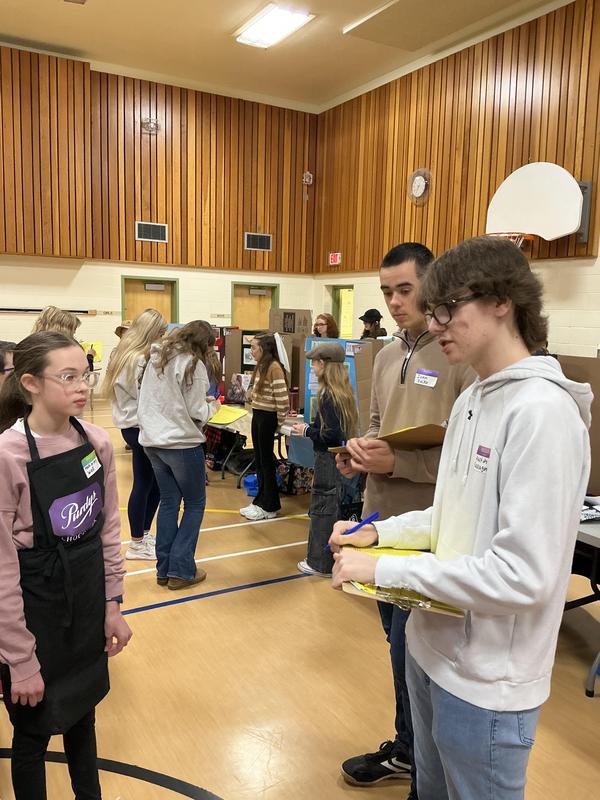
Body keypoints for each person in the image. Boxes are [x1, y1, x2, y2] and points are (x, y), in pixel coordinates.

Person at [330, 235, 591, 800]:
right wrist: (378, 534)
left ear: (502, 302)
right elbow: (448, 515)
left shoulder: (542, 413)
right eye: (434, 308)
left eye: (448, 307)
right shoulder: (475, 397)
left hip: (487, 683)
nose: (435, 320)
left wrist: (386, 572)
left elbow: (523, 576)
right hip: (431, 651)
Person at [335, 242, 474, 796]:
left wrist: (404, 460)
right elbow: (377, 425)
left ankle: (422, 759)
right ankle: (408, 747)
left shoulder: (458, 355)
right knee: (397, 647)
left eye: (404, 290)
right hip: (381, 519)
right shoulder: (387, 353)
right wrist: (358, 457)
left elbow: (470, 461)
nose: (393, 302)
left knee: (414, 653)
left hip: (431, 527)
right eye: (386, 291)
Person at [0, 331, 131, 800]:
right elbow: (2, 574)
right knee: (33, 734)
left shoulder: (96, 441)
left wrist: (113, 603)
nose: (83, 387)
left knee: (83, 714)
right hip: (35, 612)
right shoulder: (7, 456)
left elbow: (108, 531)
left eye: (86, 375)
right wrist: (19, 659)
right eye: (69, 377)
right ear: (31, 383)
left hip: (87, 599)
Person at [138, 320, 219, 590]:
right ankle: (182, 571)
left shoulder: (157, 357)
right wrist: (214, 408)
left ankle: (163, 570)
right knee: (195, 505)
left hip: (152, 442)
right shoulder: (193, 365)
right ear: (204, 344)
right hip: (181, 444)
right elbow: (197, 411)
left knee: (170, 503)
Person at [103, 308, 167, 560]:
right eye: (161, 332)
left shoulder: (126, 354)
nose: (163, 336)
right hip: (139, 427)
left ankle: (144, 534)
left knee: (152, 485)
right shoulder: (138, 359)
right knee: (144, 484)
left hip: (134, 426)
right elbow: (146, 398)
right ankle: (137, 542)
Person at [291, 341, 358, 576]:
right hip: (338, 458)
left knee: (323, 509)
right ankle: (329, 559)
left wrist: (307, 431)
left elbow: (330, 435)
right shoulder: (343, 392)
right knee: (332, 506)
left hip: (328, 459)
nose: (312, 368)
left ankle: (320, 562)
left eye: (314, 363)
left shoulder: (328, 394)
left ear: (323, 364)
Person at [240, 332, 289, 521]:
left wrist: (279, 423)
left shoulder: (274, 367)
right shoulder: (260, 367)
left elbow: (282, 400)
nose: (251, 351)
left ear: (264, 349)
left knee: (267, 463)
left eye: (253, 347)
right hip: (258, 415)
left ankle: (270, 505)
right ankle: (260, 500)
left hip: (268, 418)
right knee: (259, 461)